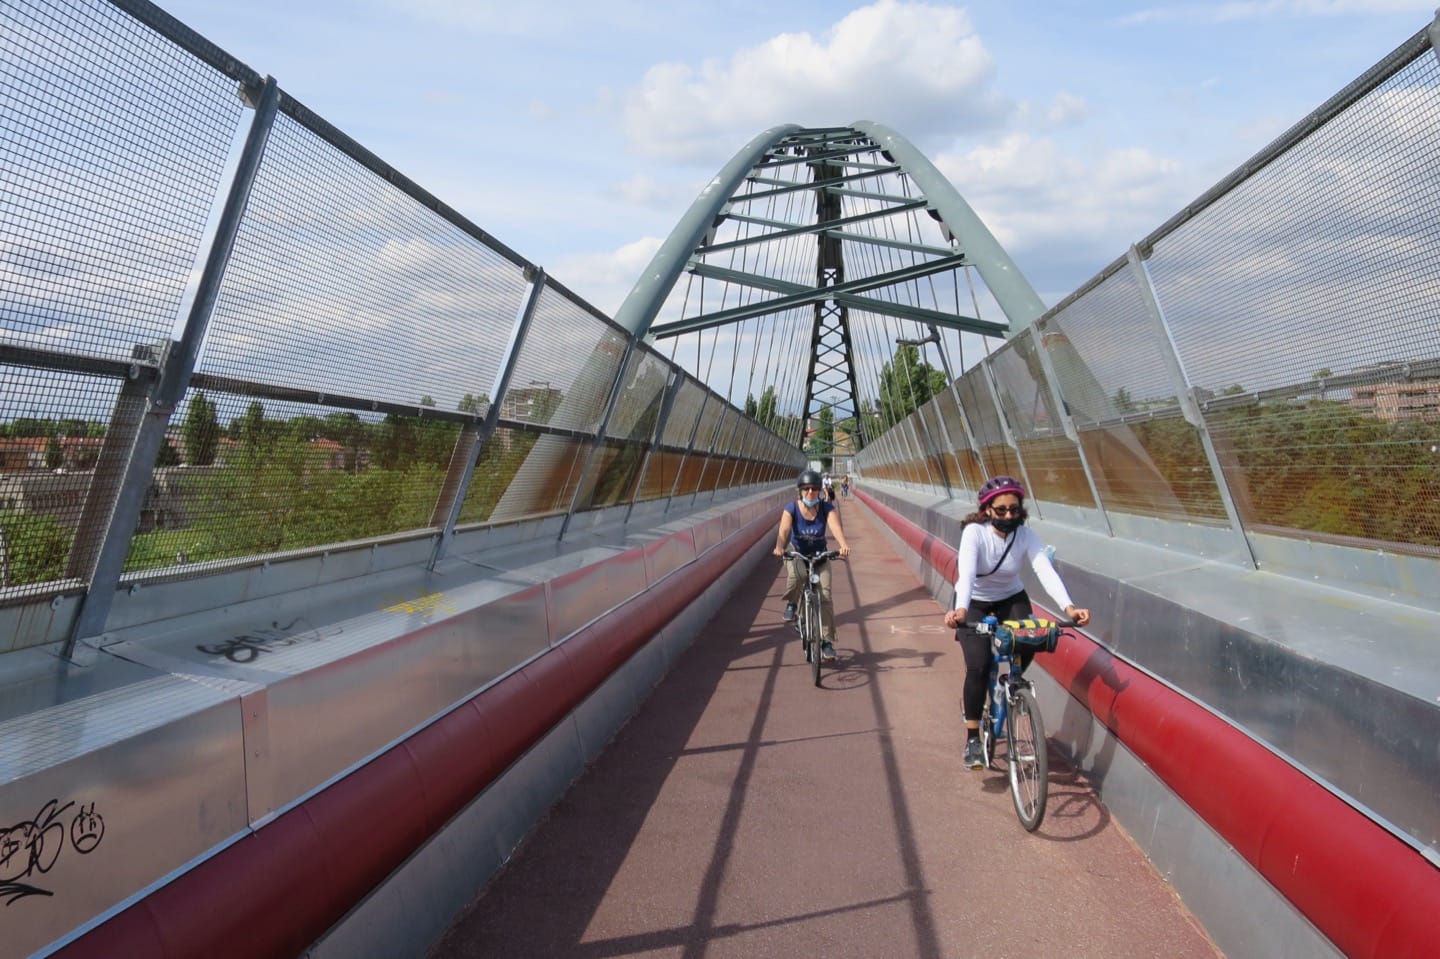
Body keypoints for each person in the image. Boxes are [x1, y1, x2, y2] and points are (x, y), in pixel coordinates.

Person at [941, 475, 1090, 770]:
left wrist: (1069, 607)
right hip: (975, 602)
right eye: (1001, 510)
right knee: (978, 665)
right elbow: (967, 574)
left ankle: (1009, 684)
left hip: (1011, 597)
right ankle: (973, 737)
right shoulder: (974, 533)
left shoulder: (1025, 536)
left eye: (1014, 510)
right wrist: (960, 611)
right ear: (987, 510)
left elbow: (1044, 570)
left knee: (1033, 637)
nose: (1009, 516)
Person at [774, 469, 851, 661]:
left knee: (825, 596)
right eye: (806, 489)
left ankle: (827, 642)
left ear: (820, 490)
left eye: (814, 489)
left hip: (819, 556)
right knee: (798, 575)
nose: (810, 492)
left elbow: (835, 527)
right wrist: (779, 547)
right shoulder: (791, 508)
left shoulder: (826, 508)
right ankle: (792, 603)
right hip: (797, 552)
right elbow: (784, 530)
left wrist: (843, 545)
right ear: (800, 491)